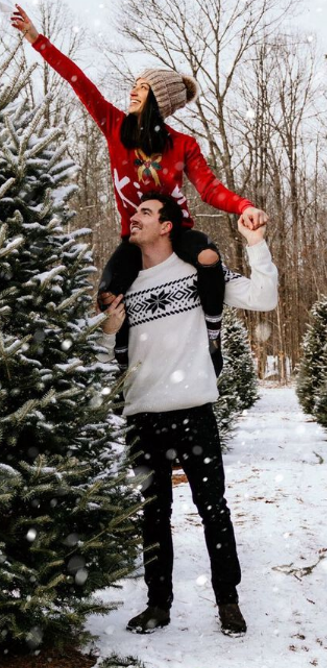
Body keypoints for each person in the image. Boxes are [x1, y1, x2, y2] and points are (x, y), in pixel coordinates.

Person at [10, 3, 268, 377]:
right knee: (109, 291)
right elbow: (79, 82)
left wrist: (243, 205)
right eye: (134, 86)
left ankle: (213, 333)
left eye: (142, 89)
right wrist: (37, 39)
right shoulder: (116, 127)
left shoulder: (182, 145)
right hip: (132, 238)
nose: (133, 92)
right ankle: (121, 356)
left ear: (158, 101)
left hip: (175, 231)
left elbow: (209, 188)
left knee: (209, 258)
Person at [97, 193, 278, 637]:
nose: (133, 218)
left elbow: (264, 298)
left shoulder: (199, 273)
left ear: (166, 226)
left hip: (194, 410)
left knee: (213, 510)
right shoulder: (123, 284)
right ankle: (158, 605)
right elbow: (101, 358)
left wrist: (255, 243)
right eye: (134, 211)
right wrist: (106, 333)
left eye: (145, 212)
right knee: (153, 515)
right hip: (142, 415)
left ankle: (228, 603)